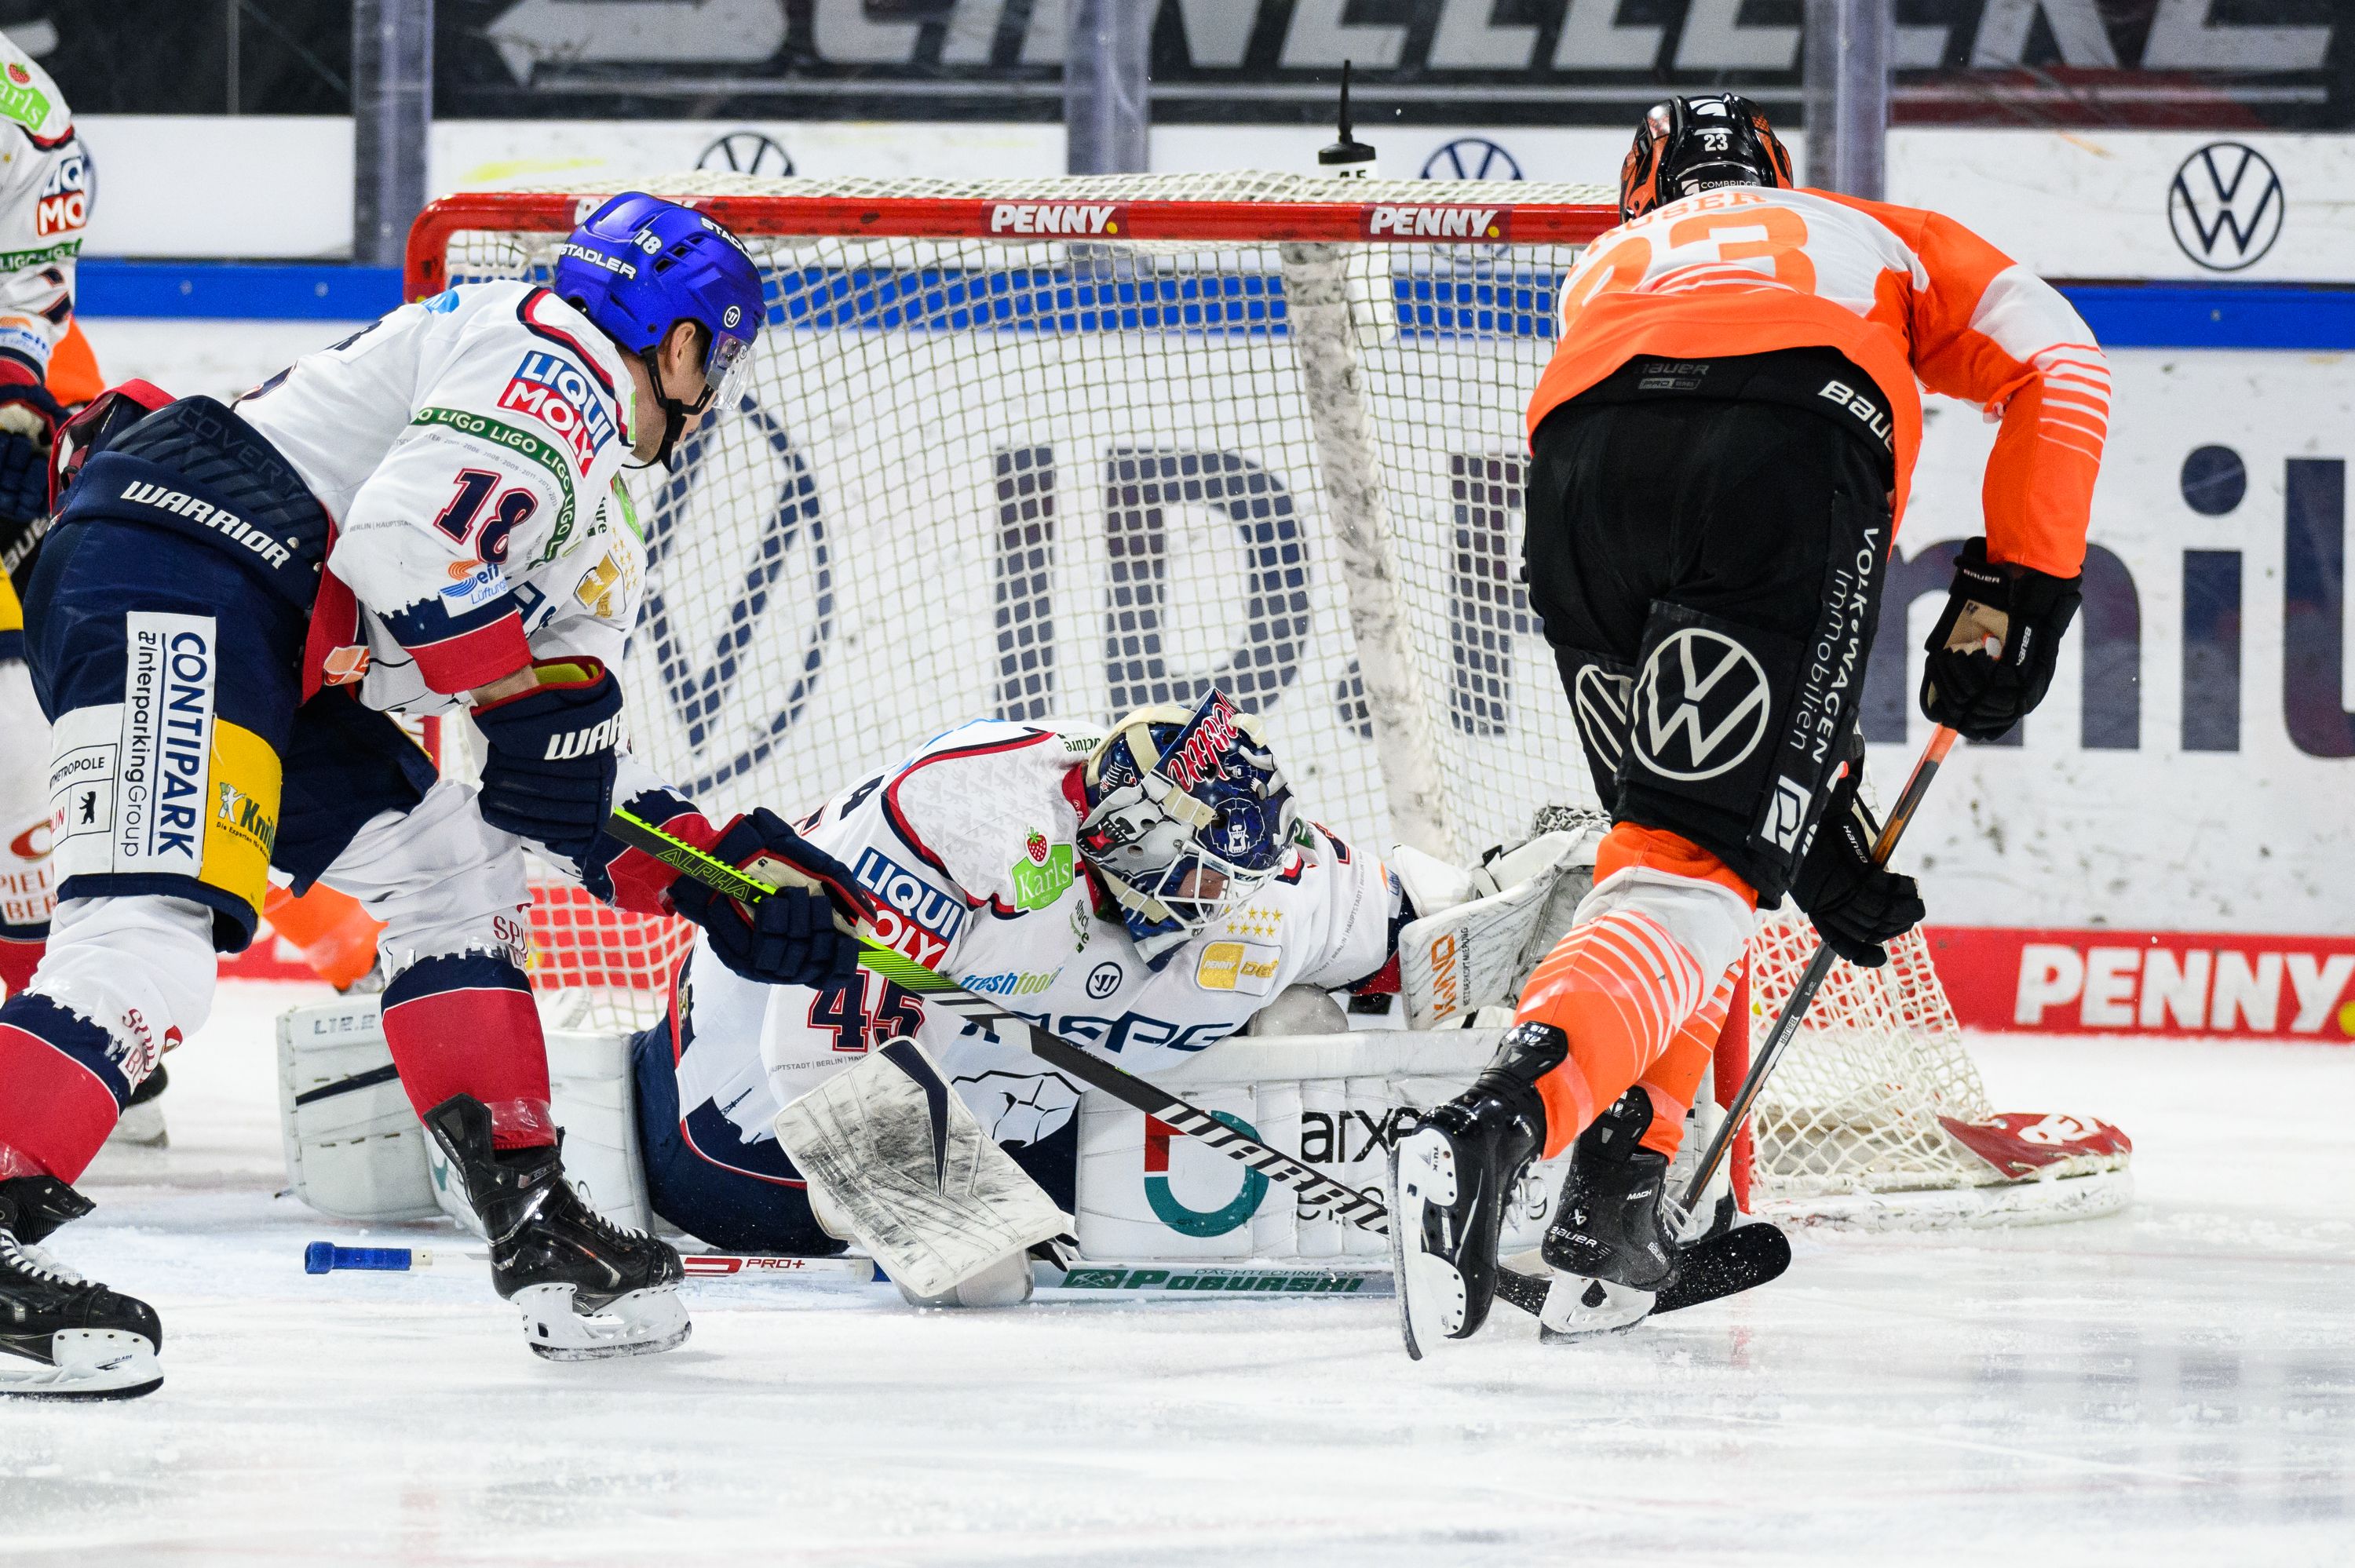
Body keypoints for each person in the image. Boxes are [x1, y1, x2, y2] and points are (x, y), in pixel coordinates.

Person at [0, 192, 869, 1398]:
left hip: (272, 629)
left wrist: (719, 880)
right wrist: (518, 703)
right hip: (189, 563)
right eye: (713, 353)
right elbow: (408, 546)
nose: (711, 383)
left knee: (451, 863)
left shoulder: (593, 498)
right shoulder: (556, 358)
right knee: (147, 931)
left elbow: (556, 795)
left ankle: (538, 1224)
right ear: (676, 342)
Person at [1395, 94, 2108, 1344]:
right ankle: (1499, 1125)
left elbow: (1678, 436)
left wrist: (1815, 825)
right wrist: (2019, 589)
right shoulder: (1872, 230)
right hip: (1782, 443)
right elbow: (2062, 365)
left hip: (1579, 477)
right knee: (1692, 874)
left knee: (1674, 851)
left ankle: (1619, 1196)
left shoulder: (1604, 265)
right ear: (1780, 174)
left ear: (1642, 189)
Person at [633, 691, 1422, 1305]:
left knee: (1296, 1013)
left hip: (1006, 1104)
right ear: (1127, 838)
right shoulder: (965, 825)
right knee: (984, 1282)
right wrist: (948, 1230)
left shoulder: (1246, 871)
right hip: (737, 1137)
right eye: (1204, 879)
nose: (1221, 902)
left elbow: (1414, 929)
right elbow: (819, 1058)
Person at [0, 33, 93, 1001]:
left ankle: (73, 1007)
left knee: (75, 711)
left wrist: (15, 410)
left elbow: (26, 298)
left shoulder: (21, 113)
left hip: (29, 410)